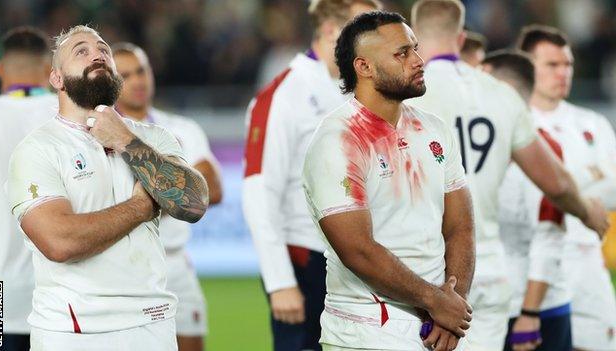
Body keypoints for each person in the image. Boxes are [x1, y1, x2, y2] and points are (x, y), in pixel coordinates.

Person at [408, 1, 608, 350]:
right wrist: (585, 210)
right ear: (461, 36)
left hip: (427, 268)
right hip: (486, 266)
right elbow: (556, 182)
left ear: (414, 40)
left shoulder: (407, 96)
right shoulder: (499, 94)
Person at [6, 25, 209, 351]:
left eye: (103, 50)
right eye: (81, 51)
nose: (97, 54)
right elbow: (60, 242)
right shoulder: (38, 149)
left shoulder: (152, 139)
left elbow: (195, 203)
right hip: (74, 332)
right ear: (56, 79)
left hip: (152, 325)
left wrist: (126, 141)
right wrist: (142, 207)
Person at [304, 11, 475, 351]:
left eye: (415, 48)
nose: (418, 60)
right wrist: (436, 301)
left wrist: (453, 302)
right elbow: (359, 251)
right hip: (367, 331)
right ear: (363, 67)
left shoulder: (433, 129)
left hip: (439, 328)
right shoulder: (337, 141)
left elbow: (461, 227)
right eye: (402, 53)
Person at [242, 1, 381, 350]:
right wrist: (279, 282)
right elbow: (259, 191)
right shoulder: (285, 94)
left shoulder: (362, 91)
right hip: (307, 261)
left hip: (361, 258)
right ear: (333, 31)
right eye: (366, 31)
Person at [112, 42, 223, 351]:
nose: (137, 80)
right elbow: (190, 191)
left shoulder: (182, 128)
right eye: (125, 75)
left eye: (141, 71)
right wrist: (176, 184)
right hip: (125, 268)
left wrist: (143, 195)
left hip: (174, 263)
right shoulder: (103, 133)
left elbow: (211, 189)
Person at [517, 24, 616, 351]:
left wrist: (560, 182)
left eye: (568, 65)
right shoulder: (516, 122)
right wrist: (589, 176)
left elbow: (613, 189)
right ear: (528, 66)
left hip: (588, 261)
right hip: (533, 266)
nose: (563, 73)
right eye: (552, 65)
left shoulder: (592, 123)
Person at [483, 50, 573, 351]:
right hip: (487, 303)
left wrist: (530, 312)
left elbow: (550, 234)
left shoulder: (544, 147)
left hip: (535, 309)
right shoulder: (477, 139)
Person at [0, 26, 57, 351]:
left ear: (0, 69)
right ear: (50, 71)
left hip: (0, 296)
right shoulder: (70, 118)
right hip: (64, 296)